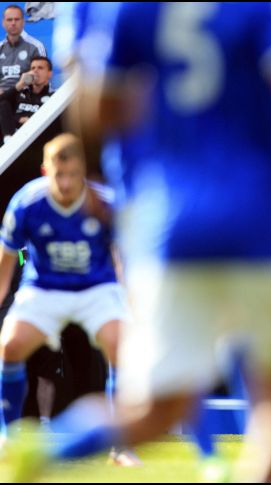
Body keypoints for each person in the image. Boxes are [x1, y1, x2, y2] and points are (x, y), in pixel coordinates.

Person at [5, 3, 271, 483]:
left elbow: (97, 100)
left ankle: (47, 453)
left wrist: (106, 173)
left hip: (171, 223)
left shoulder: (131, 10)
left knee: (156, 410)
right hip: (263, 215)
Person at [0, 134, 130, 463]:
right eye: (59, 175)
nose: (67, 183)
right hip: (44, 287)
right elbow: (6, 259)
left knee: (120, 346)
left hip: (95, 287)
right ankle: (7, 439)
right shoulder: (26, 203)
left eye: (74, 174)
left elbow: (122, 256)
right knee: (10, 346)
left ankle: (121, 445)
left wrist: (129, 298)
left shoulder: (105, 203)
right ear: (46, 171)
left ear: (83, 171)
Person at [0, 55, 54, 140]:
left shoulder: (53, 97)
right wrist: (20, 84)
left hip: (34, 140)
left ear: (49, 74)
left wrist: (30, 121)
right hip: (10, 138)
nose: (35, 71)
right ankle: (8, 141)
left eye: (40, 68)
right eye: (32, 68)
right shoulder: (20, 93)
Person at [0, 5, 46, 93]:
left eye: (17, 19)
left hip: (26, 99)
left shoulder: (36, 46)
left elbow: (42, 79)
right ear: (3, 23)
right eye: (9, 20)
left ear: (23, 22)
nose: (13, 23)